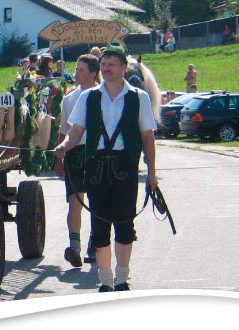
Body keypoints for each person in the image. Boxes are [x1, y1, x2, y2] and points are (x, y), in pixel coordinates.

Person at [53, 42, 158, 292]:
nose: (107, 68)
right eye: (104, 64)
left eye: (112, 64)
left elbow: (148, 138)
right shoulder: (88, 97)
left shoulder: (139, 98)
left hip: (125, 167)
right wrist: (64, 147)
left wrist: (152, 173)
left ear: (123, 67)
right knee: (100, 225)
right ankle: (106, 281)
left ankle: (122, 279)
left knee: (124, 224)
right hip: (97, 167)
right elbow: (75, 131)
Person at [54, 54, 101, 267]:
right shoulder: (69, 98)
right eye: (76, 69)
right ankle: (75, 247)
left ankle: (95, 243)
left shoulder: (104, 95)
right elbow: (63, 131)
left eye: (81, 70)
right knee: (75, 201)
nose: (76, 73)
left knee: (98, 200)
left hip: (97, 153)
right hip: (74, 153)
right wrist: (59, 157)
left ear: (93, 73)